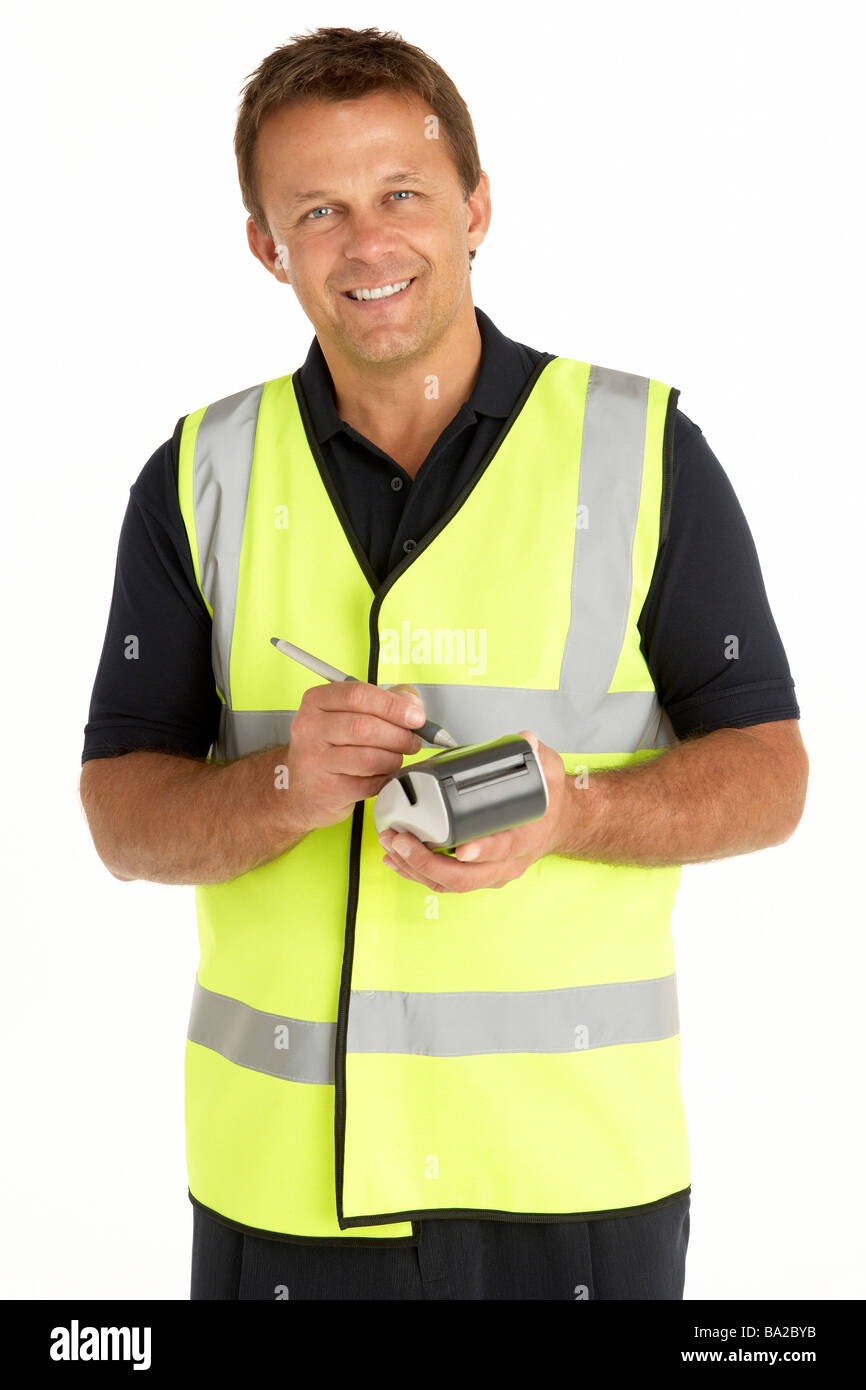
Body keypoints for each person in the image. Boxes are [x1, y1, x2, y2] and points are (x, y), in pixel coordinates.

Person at [79, 26, 808, 1301]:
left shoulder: (642, 452)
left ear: (475, 207)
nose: (366, 243)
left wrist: (575, 808)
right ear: (267, 245)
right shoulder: (197, 474)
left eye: (401, 194)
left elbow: (769, 775)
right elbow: (119, 816)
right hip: (286, 1198)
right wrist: (281, 792)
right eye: (318, 209)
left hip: (573, 1185)